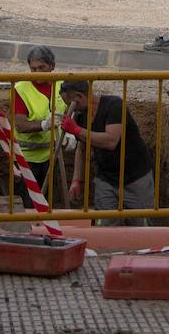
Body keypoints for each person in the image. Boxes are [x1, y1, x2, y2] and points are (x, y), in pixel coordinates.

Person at [59, 80, 154, 226]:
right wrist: (76, 180)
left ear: (79, 96)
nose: (71, 108)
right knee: (106, 225)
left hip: (135, 177)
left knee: (140, 225)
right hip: (106, 178)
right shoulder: (81, 116)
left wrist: (77, 130)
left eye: (71, 103)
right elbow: (81, 148)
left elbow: (111, 141)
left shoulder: (114, 106)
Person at [11, 45, 71, 210]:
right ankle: (32, 233)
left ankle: (47, 232)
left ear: (52, 66)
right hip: (27, 158)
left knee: (48, 202)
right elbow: (20, 125)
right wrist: (44, 125)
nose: (37, 73)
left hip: (52, 154)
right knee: (29, 205)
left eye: (41, 68)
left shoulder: (61, 84)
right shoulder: (21, 89)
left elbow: (71, 109)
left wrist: (71, 132)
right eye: (33, 69)